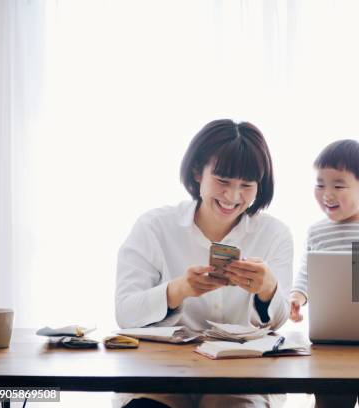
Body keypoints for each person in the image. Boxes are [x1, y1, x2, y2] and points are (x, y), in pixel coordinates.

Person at [115, 119, 293, 408]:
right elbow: (125, 313)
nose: (233, 197)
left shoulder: (274, 234)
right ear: (198, 172)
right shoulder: (154, 226)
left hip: (242, 377)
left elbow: (276, 322)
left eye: (246, 186)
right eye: (222, 181)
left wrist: (268, 290)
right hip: (162, 374)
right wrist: (179, 289)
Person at [289, 139, 359, 408]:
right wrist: (297, 295)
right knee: (330, 399)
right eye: (319, 184)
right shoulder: (317, 231)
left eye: (338, 185)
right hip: (330, 337)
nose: (327, 194)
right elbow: (308, 270)